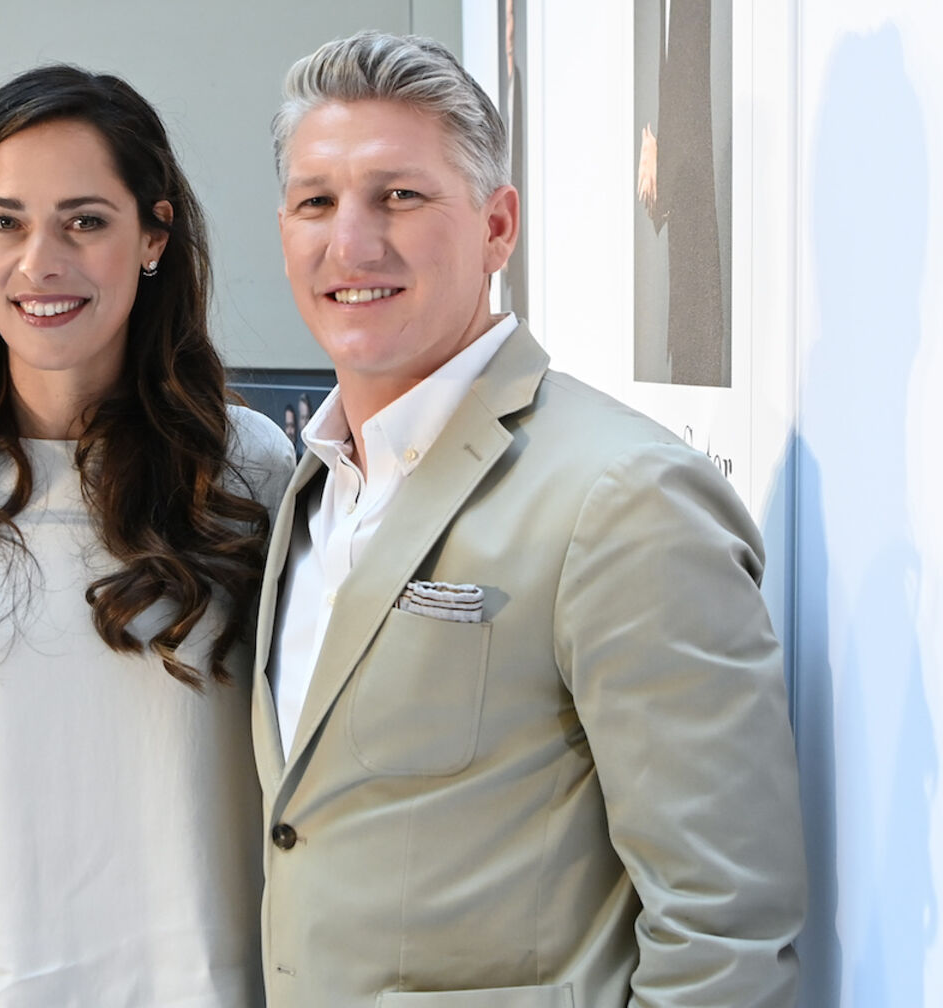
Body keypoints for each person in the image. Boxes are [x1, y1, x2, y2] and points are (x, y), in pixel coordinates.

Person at [254, 32, 806, 1007]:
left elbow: (724, 921)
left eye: (400, 196)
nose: (352, 243)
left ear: (498, 226)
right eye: (317, 202)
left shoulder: (624, 496)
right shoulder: (310, 487)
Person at [0, 65, 294, 1007]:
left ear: (153, 235)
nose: (40, 261)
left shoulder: (248, 471)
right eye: (5, 222)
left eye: (85, 221)